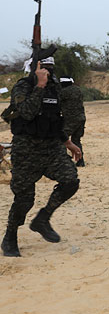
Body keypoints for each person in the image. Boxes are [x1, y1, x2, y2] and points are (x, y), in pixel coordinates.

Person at [0, 56, 82, 257]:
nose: (48, 71)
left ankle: (42, 219)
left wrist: (68, 142)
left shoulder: (55, 87)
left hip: (51, 149)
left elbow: (53, 119)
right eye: (44, 67)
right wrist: (40, 85)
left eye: (51, 68)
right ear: (35, 67)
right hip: (26, 151)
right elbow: (27, 113)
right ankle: (10, 236)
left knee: (70, 180)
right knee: (24, 199)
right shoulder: (23, 86)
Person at [60, 77, 86, 167]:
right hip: (81, 118)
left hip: (70, 119)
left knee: (62, 139)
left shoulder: (63, 92)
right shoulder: (78, 90)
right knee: (76, 140)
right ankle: (80, 161)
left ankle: (64, 161)